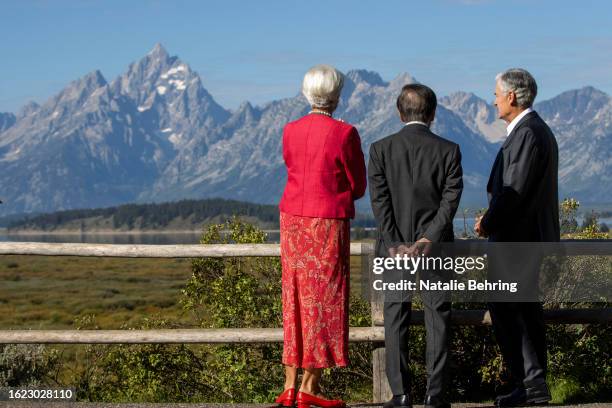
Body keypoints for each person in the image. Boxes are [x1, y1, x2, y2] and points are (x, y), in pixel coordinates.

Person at [276, 64, 367, 408]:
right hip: (326, 222)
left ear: (306, 93)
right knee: (325, 300)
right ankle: (310, 388)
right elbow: (357, 185)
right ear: (337, 96)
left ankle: (289, 384)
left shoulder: (290, 130)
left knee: (295, 297)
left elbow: (290, 165)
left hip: (292, 221)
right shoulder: (345, 134)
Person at [369, 84, 463, 408]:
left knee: (396, 318)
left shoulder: (380, 149)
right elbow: (450, 201)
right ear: (433, 114)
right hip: (436, 251)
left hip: (394, 253)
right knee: (438, 318)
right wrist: (429, 238)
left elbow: (380, 203)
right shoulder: (449, 150)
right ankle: (435, 395)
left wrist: (395, 243)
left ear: (399, 113)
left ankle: (401, 394)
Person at [475, 68, 560, 407]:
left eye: (496, 93)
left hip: (517, 241)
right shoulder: (532, 131)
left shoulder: (527, 134)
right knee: (518, 312)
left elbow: (513, 192)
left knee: (518, 315)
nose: (493, 99)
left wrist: (487, 222)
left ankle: (532, 386)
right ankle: (529, 385)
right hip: (522, 240)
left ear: (511, 96)